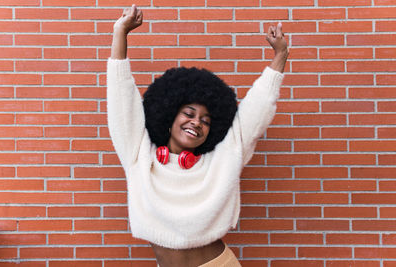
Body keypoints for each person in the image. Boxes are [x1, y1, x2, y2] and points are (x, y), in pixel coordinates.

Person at [107, 4, 288, 267]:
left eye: (205, 120)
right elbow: (121, 99)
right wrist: (120, 33)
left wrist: (280, 55)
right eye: (189, 114)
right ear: (169, 116)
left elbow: (256, 111)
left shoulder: (222, 158)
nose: (196, 123)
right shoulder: (139, 156)